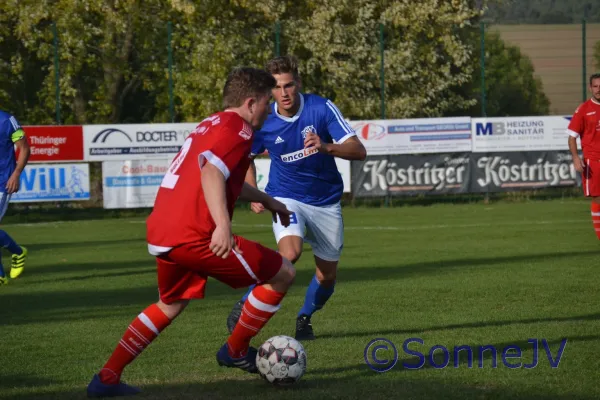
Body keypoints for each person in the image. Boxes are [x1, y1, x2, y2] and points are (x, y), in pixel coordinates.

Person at [87, 67, 296, 398]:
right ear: (250, 103)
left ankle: (107, 378)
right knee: (283, 272)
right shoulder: (239, 129)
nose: (269, 110)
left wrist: (269, 201)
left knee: (170, 304)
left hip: (164, 231)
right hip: (194, 234)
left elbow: (226, 178)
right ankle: (236, 351)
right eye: (266, 103)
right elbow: (211, 172)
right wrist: (223, 226)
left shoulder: (209, 124)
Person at [226, 55, 367, 341]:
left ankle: (305, 317)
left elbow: (358, 150)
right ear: (269, 90)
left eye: (288, 85)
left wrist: (326, 146)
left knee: (327, 276)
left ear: (298, 83)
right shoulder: (264, 119)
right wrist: (255, 192)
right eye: (277, 87)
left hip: (326, 201)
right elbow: (246, 158)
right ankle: (247, 301)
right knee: (290, 253)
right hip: (285, 196)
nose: (284, 93)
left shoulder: (321, 108)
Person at [568, 72, 600, 239]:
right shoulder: (583, 110)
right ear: (590, 88)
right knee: (597, 199)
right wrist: (575, 157)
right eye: (595, 86)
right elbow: (572, 137)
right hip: (593, 162)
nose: (598, 89)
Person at [0, 110, 30, 285]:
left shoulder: (6, 121)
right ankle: (18, 252)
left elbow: (24, 148)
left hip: (3, 182)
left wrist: (16, 174)